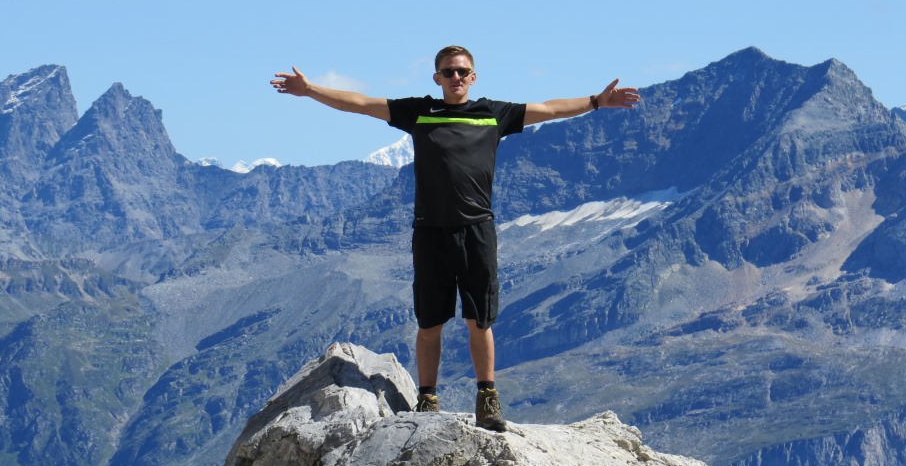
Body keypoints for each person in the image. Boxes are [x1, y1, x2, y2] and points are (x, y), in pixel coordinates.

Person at [271, 46, 639, 431]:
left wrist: (596, 101)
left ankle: (487, 398)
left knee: (480, 320)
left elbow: (549, 109)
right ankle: (428, 398)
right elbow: (362, 103)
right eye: (448, 72)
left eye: (462, 71)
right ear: (437, 78)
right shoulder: (420, 112)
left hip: (478, 230)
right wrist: (310, 89)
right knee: (430, 322)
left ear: (473, 77)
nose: (456, 77)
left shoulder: (493, 114)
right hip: (430, 232)